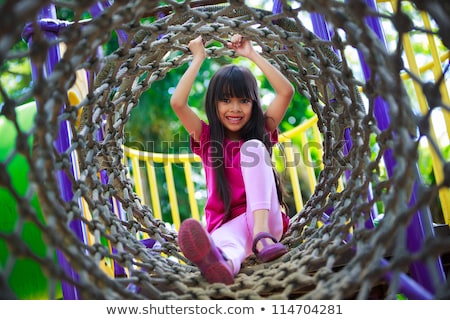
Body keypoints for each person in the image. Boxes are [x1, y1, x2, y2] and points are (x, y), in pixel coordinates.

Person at [170, 34, 294, 284]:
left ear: (253, 103)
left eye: (243, 100)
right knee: (225, 246)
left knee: (253, 148)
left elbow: (286, 91)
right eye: (226, 100)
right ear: (213, 104)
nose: (235, 108)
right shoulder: (207, 139)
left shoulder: (261, 130)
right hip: (227, 225)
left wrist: (251, 53)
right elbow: (178, 103)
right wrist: (198, 58)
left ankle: (261, 237)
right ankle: (224, 265)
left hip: (267, 222)